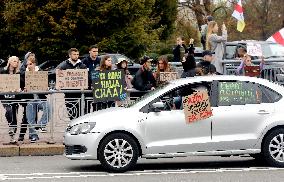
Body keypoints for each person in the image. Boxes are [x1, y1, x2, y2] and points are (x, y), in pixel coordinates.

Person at [56, 48, 87, 121]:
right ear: (70, 55)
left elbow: (86, 77)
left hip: (80, 93)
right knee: (71, 111)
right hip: (68, 93)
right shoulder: (64, 65)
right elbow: (58, 74)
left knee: (80, 112)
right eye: (74, 54)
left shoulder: (82, 65)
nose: (76, 56)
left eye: (77, 54)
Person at [24, 57, 49, 143]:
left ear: (34, 64)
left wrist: (46, 87)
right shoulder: (24, 73)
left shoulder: (41, 72)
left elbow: (46, 84)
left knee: (49, 108)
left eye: (30, 64)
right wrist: (23, 89)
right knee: (30, 117)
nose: (29, 66)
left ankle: (41, 125)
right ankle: (33, 136)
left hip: (40, 98)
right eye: (27, 64)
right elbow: (20, 86)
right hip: (29, 98)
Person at [0, 56, 21, 143]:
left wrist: (20, 89)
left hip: (14, 97)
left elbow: (22, 84)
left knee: (14, 115)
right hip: (5, 96)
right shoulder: (2, 71)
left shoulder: (18, 73)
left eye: (17, 61)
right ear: (10, 62)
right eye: (14, 61)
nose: (16, 63)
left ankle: (12, 136)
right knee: (8, 110)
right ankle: (10, 126)